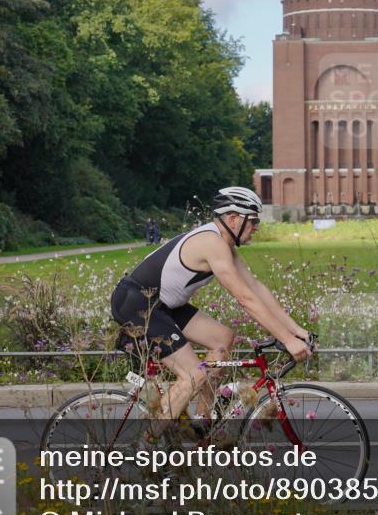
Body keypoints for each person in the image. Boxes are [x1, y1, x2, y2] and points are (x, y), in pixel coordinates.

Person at [111, 186, 313, 441]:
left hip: (162, 305)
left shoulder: (224, 245)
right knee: (193, 374)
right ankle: (146, 446)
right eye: (253, 220)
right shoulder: (211, 243)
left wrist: (295, 330)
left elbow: (256, 289)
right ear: (232, 219)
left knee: (222, 337)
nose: (257, 227)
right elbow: (245, 299)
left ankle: (202, 422)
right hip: (137, 303)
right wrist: (286, 339)